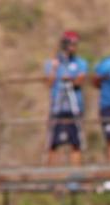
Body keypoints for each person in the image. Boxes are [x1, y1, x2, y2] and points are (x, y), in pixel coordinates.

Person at [43, 30, 88, 166]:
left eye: (75, 44)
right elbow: (49, 83)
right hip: (58, 107)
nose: (74, 47)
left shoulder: (80, 63)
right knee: (53, 143)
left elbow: (80, 80)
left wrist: (70, 79)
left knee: (76, 143)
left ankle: (75, 176)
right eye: (71, 43)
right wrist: (54, 69)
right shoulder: (52, 63)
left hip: (74, 107)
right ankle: (51, 175)